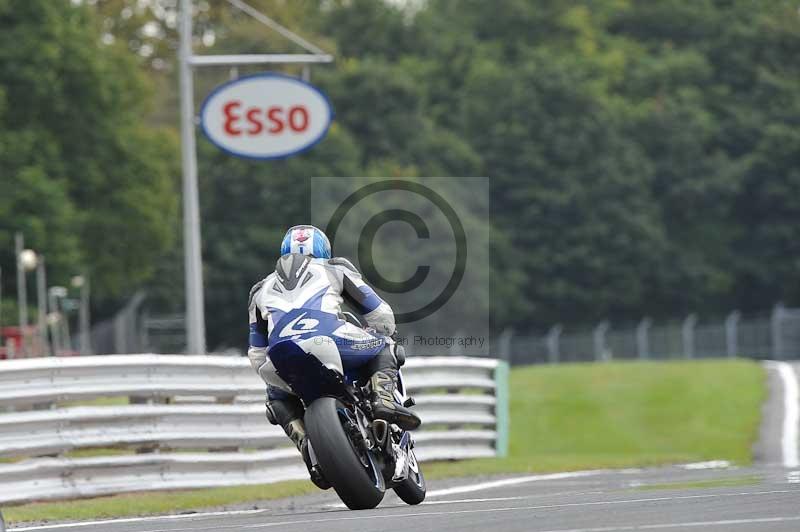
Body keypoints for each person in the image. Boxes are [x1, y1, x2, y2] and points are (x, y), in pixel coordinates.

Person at [247, 224, 420, 488]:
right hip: (331, 339)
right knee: (385, 345)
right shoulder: (336, 268)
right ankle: (382, 398)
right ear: (324, 250)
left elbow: (257, 356)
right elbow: (381, 317)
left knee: (275, 395)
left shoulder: (259, 289)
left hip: (280, 355)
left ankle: (304, 441)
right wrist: (381, 330)